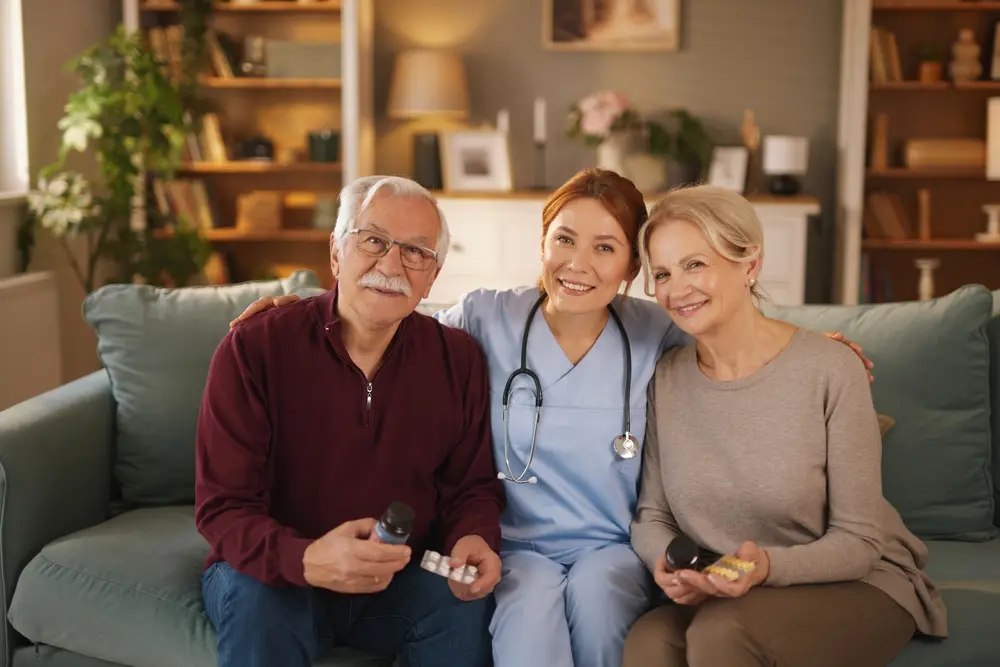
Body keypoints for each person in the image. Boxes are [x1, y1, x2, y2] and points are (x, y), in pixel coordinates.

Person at [232, 169, 873, 667]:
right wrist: (293, 304)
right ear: (541, 241)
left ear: (630, 270)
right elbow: (389, 304)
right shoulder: (486, 315)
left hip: (612, 546)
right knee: (528, 606)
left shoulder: (657, 329)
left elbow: (734, 334)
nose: (578, 263)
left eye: (605, 247)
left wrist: (819, 344)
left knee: (598, 600)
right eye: (563, 238)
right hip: (515, 545)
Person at [621, 184, 948, 667]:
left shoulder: (831, 368)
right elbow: (653, 517)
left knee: (721, 635)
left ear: (749, 264)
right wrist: (668, 563)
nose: (677, 288)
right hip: (726, 583)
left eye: (696, 264)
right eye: (663, 273)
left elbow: (859, 542)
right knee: (648, 644)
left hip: (858, 581)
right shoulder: (665, 380)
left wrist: (766, 567)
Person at [195, 174, 505, 667]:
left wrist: (473, 537)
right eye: (374, 241)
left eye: (415, 252)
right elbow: (223, 508)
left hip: (405, 568)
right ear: (337, 253)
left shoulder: (458, 358)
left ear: (433, 276)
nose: (391, 264)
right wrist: (303, 559)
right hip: (274, 569)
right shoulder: (255, 347)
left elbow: (471, 487)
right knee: (259, 599)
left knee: (464, 597)